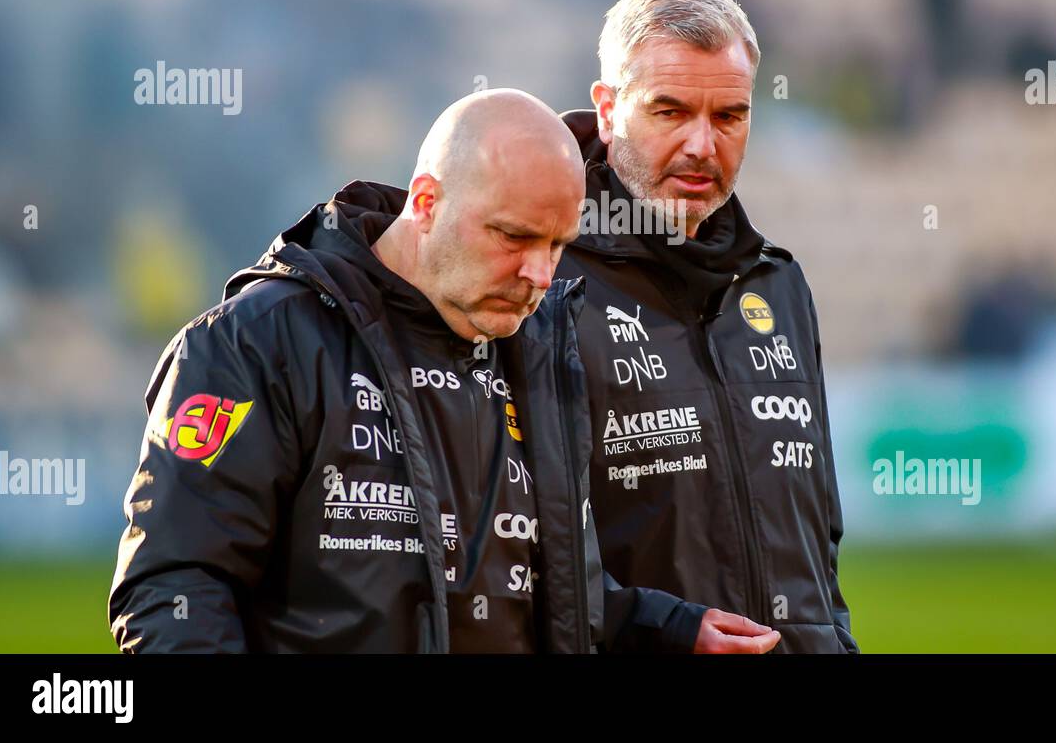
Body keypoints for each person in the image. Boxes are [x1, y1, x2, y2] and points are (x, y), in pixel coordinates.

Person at [109, 88, 777, 653]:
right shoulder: (254, 344)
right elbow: (175, 589)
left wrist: (671, 628)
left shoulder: (540, 352)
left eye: (557, 245)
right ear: (425, 202)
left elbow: (549, 587)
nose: (540, 275)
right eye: (514, 237)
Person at [556, 0, 861, 653]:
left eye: (730, 116)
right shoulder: (542, 283)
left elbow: (819, 534)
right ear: (608, 110)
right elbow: (516, 551)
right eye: (669, 112)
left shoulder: (777, 284)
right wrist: (664, 630)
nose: (702, 145)